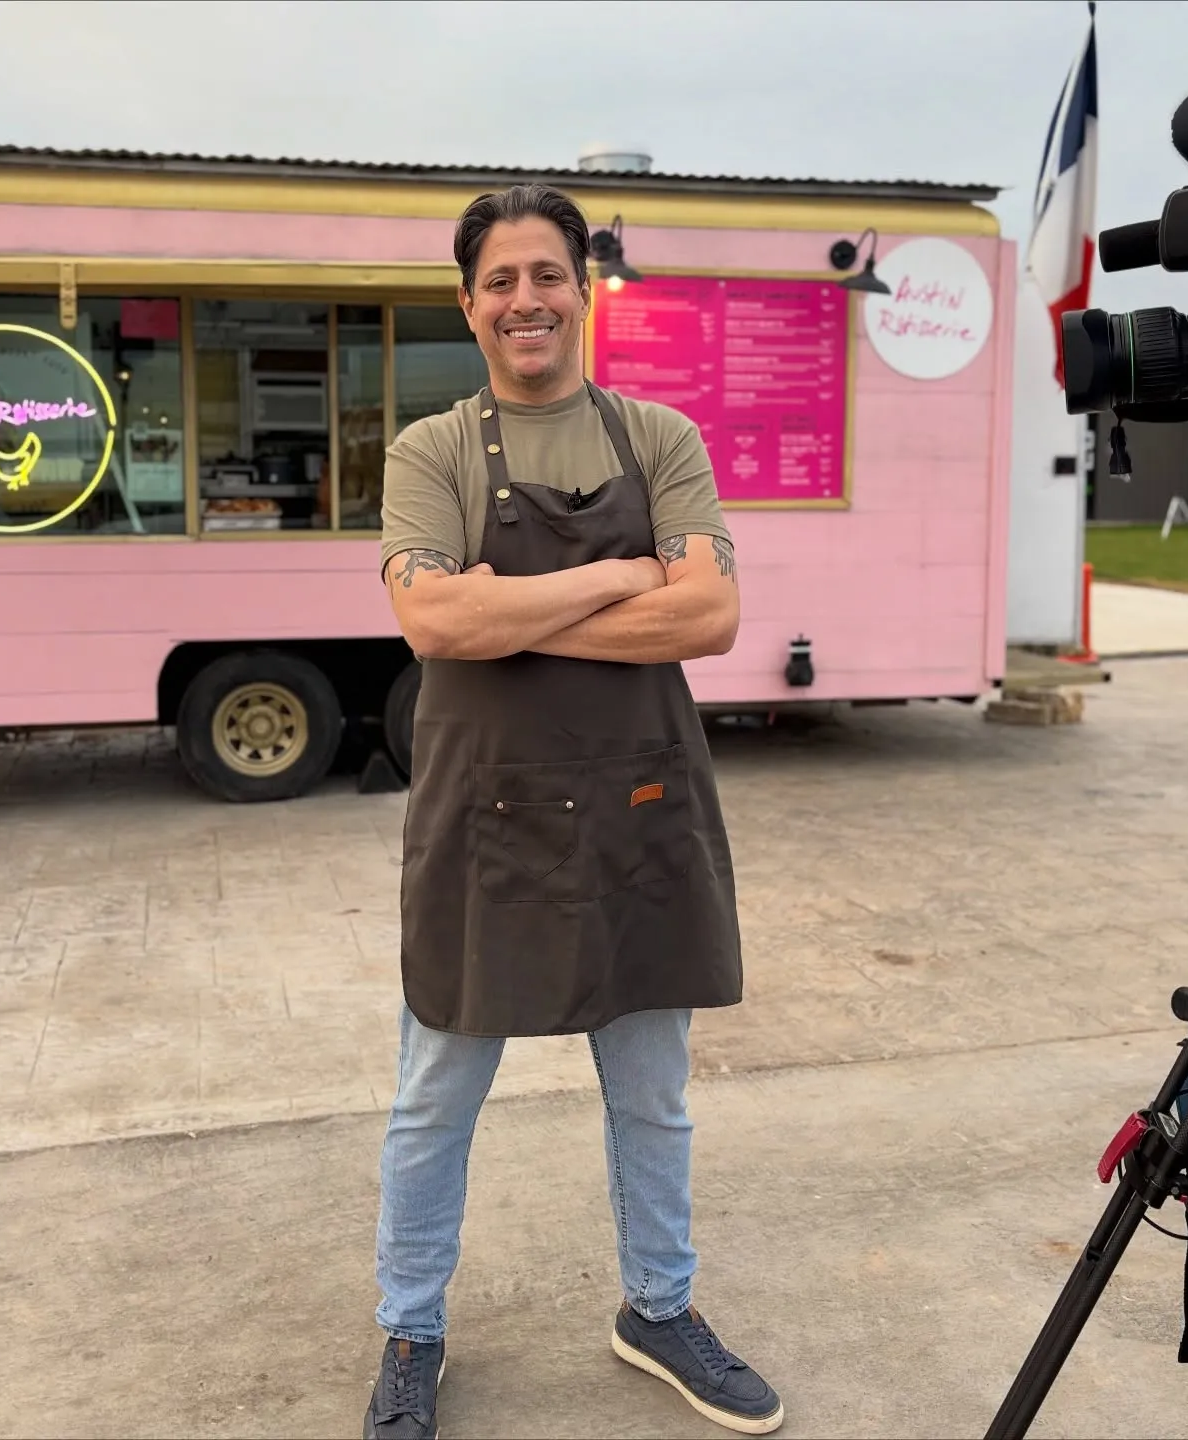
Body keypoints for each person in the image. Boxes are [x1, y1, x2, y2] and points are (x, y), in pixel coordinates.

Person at [364, 182, 782, 1440]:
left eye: (547, 273)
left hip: (636, 815)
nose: (525, 299)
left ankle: (659, 1308)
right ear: (469, 303)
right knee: (435, 1095)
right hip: (483, 823)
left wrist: (520, 609)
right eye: (499, 280)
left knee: (651, 1096)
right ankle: (410, 1329)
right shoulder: (429, 451)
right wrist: (617, 573)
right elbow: (436, 620)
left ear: (583, 287)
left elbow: (706, 618)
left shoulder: (659, 439)